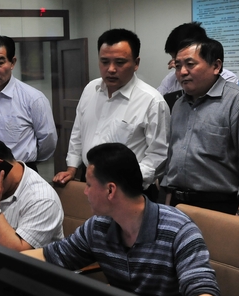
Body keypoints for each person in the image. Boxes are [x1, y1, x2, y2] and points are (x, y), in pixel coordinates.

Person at [26, 143, 220, 296]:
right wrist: (8, 261)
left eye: (89, 185)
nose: (85, 192)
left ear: (110, 190)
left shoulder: (179, 230)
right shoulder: (98, 227)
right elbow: (52, 256)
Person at [161, 37, 239, 217]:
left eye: (190, 64)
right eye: (178, 66)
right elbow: (171, 164)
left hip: (217, 207)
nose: (182, 72)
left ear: (216, 66)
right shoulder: (179, 105)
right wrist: (167, 209)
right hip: (177, 205)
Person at [53, 29, 169, 194]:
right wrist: (72, 168)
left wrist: (129, 179)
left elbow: (158, 154)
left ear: (136, 63)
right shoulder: (90, 89)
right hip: (90, 181)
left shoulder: (152, 101)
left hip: (128, 189)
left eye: (120, 62)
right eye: (105, 61)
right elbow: (78, 132)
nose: (111, 69)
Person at [0, 35, 57, 171]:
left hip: (20, 172)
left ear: (12, 63)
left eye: (0, 62)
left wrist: (26, 164)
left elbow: (48, 141)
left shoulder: (33, 98)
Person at [157, 22, 238, 97]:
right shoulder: (171, 78)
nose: (174, 62)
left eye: (190, 63)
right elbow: (158, 100)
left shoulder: (228, 78)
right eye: (174, 58)